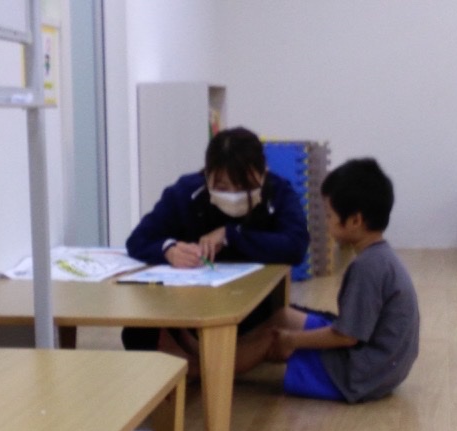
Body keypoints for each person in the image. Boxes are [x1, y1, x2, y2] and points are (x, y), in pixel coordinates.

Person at [233, 157, 420, 403]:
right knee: (283, 317)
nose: (326, 221)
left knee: (273, 338)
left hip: (362, 374)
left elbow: (347, 336)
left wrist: (292, 340)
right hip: (382, 364)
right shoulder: (380, 256)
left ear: (355, 221)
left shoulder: (367, 267)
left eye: (330, 215)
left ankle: (204, 369)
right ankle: (220, 354)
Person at [122, 126, 310, 368]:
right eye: (222, 187)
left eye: (244, 186)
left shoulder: (278, 192)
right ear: (207, 174)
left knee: (315, 325)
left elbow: (296, 245)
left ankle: (200, 364)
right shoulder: (186, 192)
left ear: (263, 173)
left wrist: (231, 235)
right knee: (135, 334)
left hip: (255, 308)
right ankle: (213, 360)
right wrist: (169, 250)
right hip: (192, 308)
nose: (233, 194)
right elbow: (138, 239)